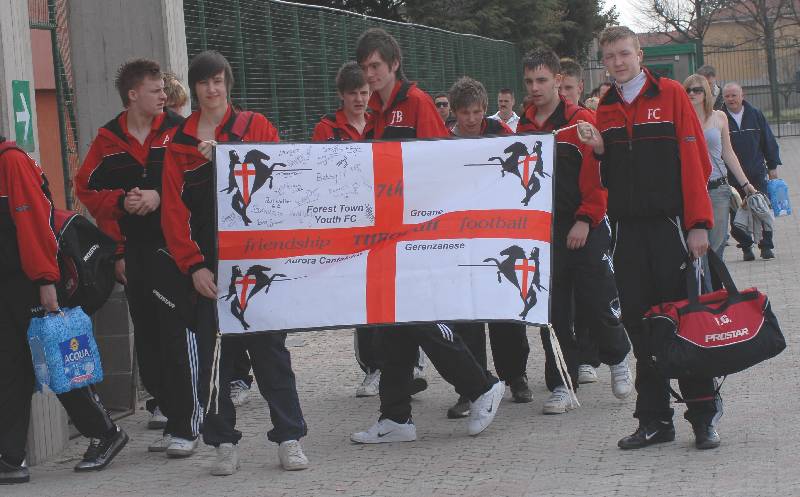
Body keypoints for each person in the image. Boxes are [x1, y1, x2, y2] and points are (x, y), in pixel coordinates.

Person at [349, 28, 505, 443]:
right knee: (393, 326)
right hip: (389, 237)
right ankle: (396, 418)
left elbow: (442, 165)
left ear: (394, 64)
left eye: (376, 66)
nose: (371, 75)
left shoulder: (416, 103)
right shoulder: (377, 114)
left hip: (421, 237)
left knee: (417, 320)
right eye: (365, 69)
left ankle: (481, 385)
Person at [161, 50, 309, 474]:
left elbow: (279, 176)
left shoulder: (254, 126)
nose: (213, 88)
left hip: (257, 262)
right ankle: (222, 443)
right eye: (205, 81)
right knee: (214, 361)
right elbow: (173, 214)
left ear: (229, 84)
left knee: (271, 354)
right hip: (209, 268)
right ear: (194, 88)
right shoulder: (180, 146)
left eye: (219, 80)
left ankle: (290, 437)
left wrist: (228, 155)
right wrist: (193, 266)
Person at [577, 26, 722, 450]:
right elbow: (601, 179)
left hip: (671, 228)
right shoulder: (602, 108)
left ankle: (703, 418)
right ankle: (655, 420)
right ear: (603, 61)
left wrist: (698, 223)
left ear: (639, 54)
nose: (618, 62)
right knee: (641, 327)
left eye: (625, 53)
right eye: (610, 56)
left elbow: (695, 161)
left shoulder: (673, 94)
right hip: (626, 234)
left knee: (685, 321)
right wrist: (600, 149)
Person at [0, 136, 129, 484]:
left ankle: (104, 432)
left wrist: (45, 281)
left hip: (29, 283)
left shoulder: (10, 161)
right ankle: (11, 457)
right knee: (10, 369)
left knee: (58, 360)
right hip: (9, 286)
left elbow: (34, 224)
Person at [75, 59, 188, 443]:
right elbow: (85, 189)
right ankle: (166, 407)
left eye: (164, 90)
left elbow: (201, 181)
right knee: (149, 335)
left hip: (176, 249)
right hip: (134, 254)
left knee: (176, 333)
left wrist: (160, 196)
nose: (163, 96)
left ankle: (184, 422)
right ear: (133, 95)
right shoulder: (107, 140)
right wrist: (122, 203)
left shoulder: (178, 129)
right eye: (156, 90)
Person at [516, 49, 632, 415]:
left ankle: (617, 358)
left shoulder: (581, 121)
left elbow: (598, 177)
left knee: (598, 301)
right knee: (553, 313)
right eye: (530, 82)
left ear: (557, 80)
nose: (535, 88)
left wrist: (585, 219)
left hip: (585, 226)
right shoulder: (523, 126)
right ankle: (561, 385)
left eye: (542, 81)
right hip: (543, 234)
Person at [445, 76, 532, 418]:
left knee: (506, 308)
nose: (471, 119)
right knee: (466, 314)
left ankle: (516, 376)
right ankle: (471, 385)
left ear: (486, 110)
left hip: (499, 234)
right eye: (465, 113)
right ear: (455, 113)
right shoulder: (442, 141)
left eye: (477, 112)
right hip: (460, 238)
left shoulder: (500, 134)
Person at [312, 61, 381, 396]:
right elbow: (320, 175)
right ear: (341, 95)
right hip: (349, 222)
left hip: (385, 218)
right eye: (353, 93)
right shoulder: (326, 128)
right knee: (362, 297)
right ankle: (373, 367)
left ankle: (404, 361)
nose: (359, 98)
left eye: (364, 92)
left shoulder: (381, 123)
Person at [682, 74, 757, 281]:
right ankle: (703, 290)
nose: (692, 94)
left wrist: (745, 183)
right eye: (687, 90)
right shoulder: (680, 119)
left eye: (697, 90)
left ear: (706, 93)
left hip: (717, 188)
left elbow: (728, 153)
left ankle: (715, 290)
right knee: (695, 246)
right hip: (691, 190)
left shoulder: (719, 117)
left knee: (717, 245)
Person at [722, 82, 782, 260]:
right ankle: (746, 246)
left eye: (734, 95)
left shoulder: (755, 114)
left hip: (756, 171)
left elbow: (768, 141)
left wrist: (772, 167)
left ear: (742, 95)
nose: (731, 99)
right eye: (727, 96)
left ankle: (766, 246)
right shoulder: (720, 117)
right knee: (737, 212)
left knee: (762, 209)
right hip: (731, 175)